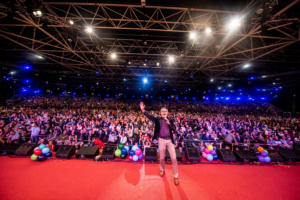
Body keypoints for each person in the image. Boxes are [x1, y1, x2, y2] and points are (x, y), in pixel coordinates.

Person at [139, 101, 179, 185]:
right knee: (161, 158)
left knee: (174, 159)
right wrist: (143, 111)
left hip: (169, 141)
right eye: (162, 111)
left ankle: (175, 176)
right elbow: (150, 117)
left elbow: (175, 130)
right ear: (160, 113)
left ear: (167, 112)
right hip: (161, 140)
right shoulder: (157, 119)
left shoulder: (170, 120)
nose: (164, 113)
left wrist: (169, 124)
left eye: (165, 111)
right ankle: (162, 170)